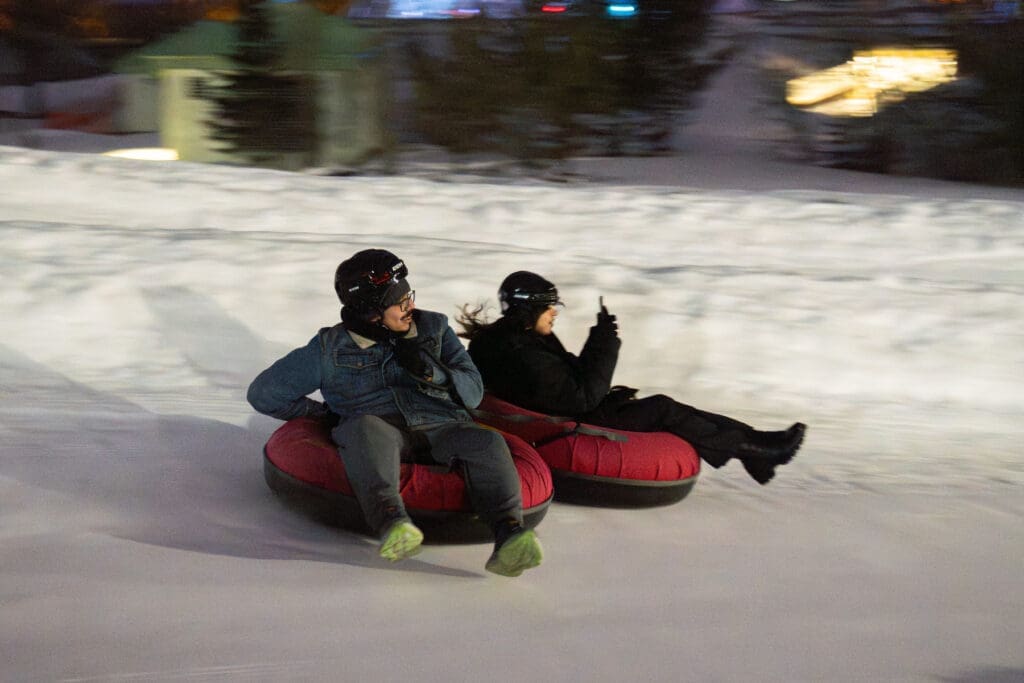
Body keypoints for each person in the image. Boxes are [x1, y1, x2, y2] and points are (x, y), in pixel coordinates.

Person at [247, 250, 542, 577]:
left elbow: (473, 394)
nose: (410, 306)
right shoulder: (329, 348)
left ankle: (510, 534)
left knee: (487, 442)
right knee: (366, 429)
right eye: (399, 302)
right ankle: (394, 523)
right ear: (372, 310)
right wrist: (323, 415)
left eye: (409, 296)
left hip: (443, 427)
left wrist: (434, 373)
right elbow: (264, 394)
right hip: (379, 428)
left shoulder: (434, 329)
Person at [459, 271, 806, 485]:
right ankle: (758, 450)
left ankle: (758, 445)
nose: (554, 312)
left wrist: (599, 339)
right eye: (549, 306)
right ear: (529, 308)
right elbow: (583, 397)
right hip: (567, 423)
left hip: (562, 411)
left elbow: (570, 378)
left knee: (663, 407)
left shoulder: (518, 340)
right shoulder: (519, 351)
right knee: (663, 409)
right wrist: (605, 343)